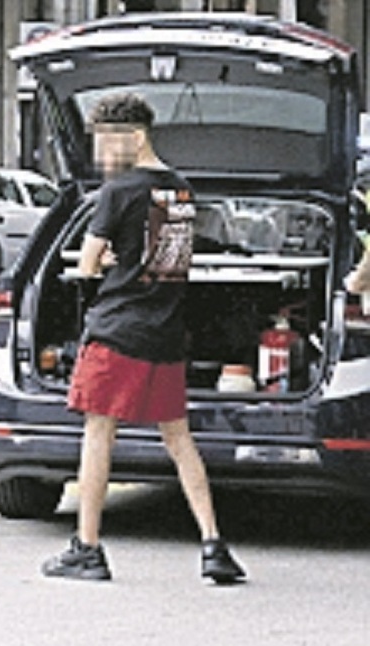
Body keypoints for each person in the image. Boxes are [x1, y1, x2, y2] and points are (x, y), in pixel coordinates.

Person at [40, 93, 245, 584]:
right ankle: (214, 545)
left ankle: (86, 547)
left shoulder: (119, 191)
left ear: (135, 136)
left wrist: (107, 263)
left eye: (109, 143)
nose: (103, 155)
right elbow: (166, 259)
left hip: (117, 333)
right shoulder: (179, 191)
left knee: (98, 435)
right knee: (179, 439)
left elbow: (87, 263)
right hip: (165, 334)